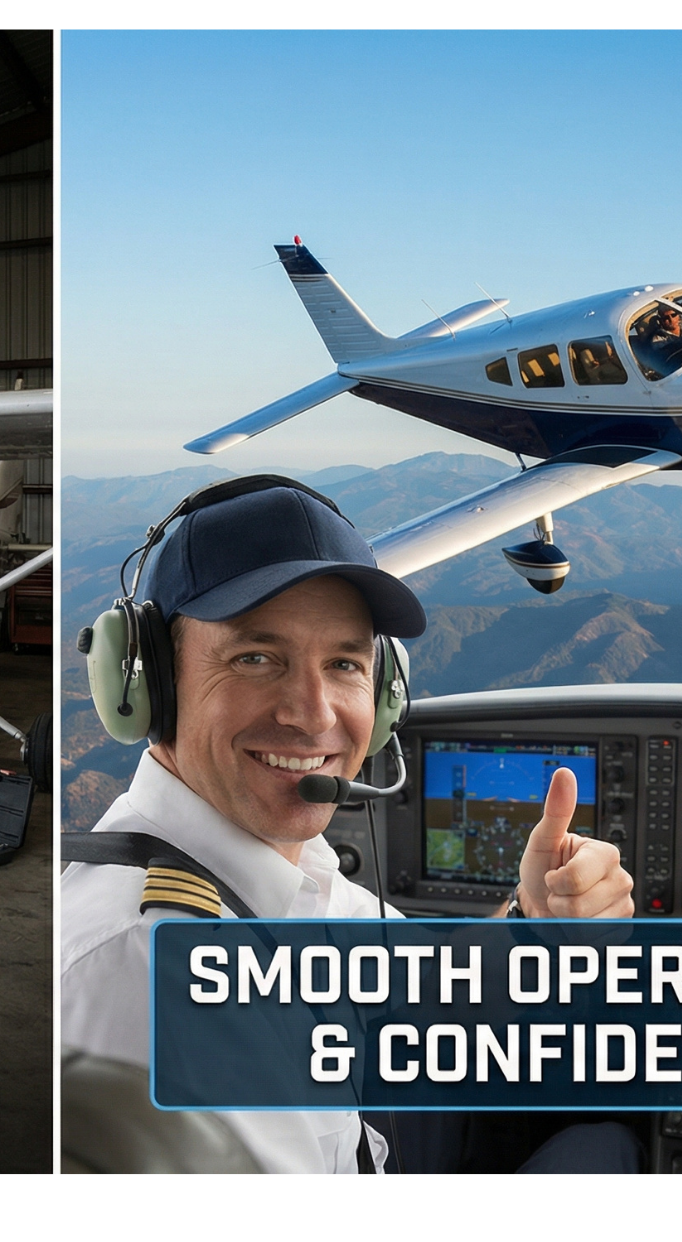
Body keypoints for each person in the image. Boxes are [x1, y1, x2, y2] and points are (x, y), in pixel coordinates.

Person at [60, 478, 637, 1174]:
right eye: (254, 658)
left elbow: (422, 987)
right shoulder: (161, 977)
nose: (313, 714)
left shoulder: (281, 865)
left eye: (343, 663)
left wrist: (532, 923)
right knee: (607, 1151)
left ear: (384, 692)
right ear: (147, 683)